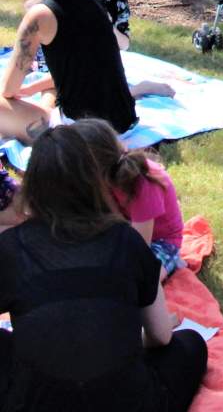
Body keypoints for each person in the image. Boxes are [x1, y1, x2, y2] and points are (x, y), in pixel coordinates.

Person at [0, 125, 207, 412]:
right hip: (128, 400)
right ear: (95, 181)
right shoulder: (127, 241)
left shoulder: (10, 247)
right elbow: (161, 335)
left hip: (34, 401)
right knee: (191, 344)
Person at [0, 0, 138, 145]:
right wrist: (29, 89)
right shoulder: (93, 1)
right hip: (124, 122)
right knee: (49, 91)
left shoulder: (39, 15)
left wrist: (21, 90)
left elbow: (9, 89)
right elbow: (83, 68)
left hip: (82, 134)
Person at [73, 118, 185, 280]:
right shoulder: (103, 177)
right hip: (125, 230)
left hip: (160, 241)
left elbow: (140, 247)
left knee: (137, 280)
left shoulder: (142, 183)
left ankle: (172, 261)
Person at [73, 0, 175, 101]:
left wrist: (107, 25)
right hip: (76, 61)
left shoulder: (116, 2)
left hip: (104, 63)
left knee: (97, 98)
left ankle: (141, 88)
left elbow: (124, 45)